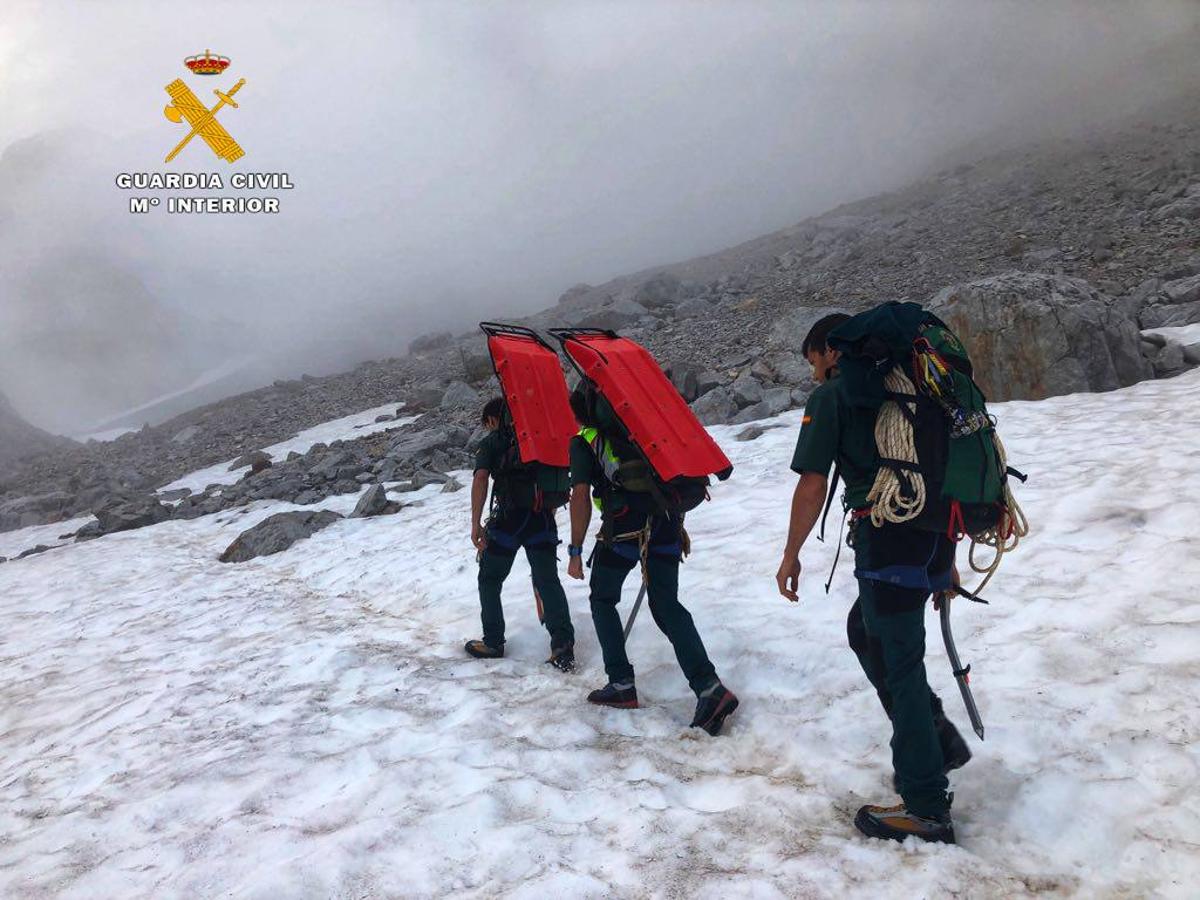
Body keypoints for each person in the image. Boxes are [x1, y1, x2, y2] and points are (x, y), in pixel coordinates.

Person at [775, 313, 970, 845]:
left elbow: (813, 483)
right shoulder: (910, 387)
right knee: (866, 631)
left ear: (832, 351)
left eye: (814, 358)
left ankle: (926, 803)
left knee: (900, 660)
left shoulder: (835, 397)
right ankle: (936, 741)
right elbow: (939, 468)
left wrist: (791, 553)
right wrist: (945, 557)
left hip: (887, 534)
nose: (814, 370)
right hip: (928, 534)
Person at [566, 386, 738, 735]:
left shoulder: (586, 441)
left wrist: (575, 549)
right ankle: (708, 687)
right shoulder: (644, 431)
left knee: (603, 598)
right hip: (668, 523)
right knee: (666, 604)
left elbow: (580, 495)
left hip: (624, 529)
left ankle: (621, 684)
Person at [467, 397, 575, 671]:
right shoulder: (538, 437)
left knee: (490, 578)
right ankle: (562, 645)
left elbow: (480, 479)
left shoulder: (492, 443)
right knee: (547, 581)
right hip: (542, 520)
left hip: (508, 522)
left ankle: (493, 642)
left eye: (488, 423)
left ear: (493, 419)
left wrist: (476, 523)